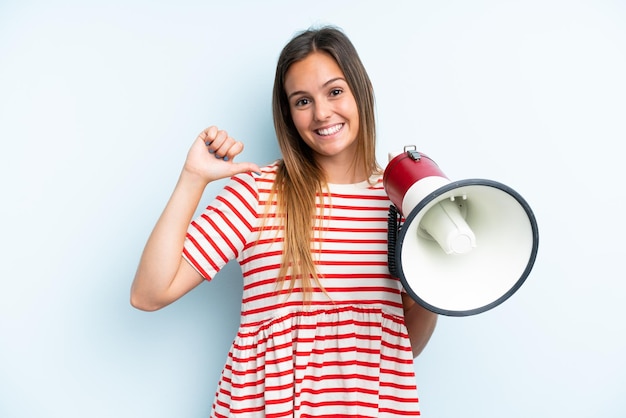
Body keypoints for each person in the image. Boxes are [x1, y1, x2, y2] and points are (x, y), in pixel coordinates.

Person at [131, 25, 438, 417]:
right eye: (302, 101)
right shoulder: (258, 193)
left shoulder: (401, 203)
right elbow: (148, 294)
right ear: (288, 114)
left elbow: (400, 347)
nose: (322, 113)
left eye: (335, 91)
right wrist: (193, 178)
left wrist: (436, 284)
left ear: (363, 92)